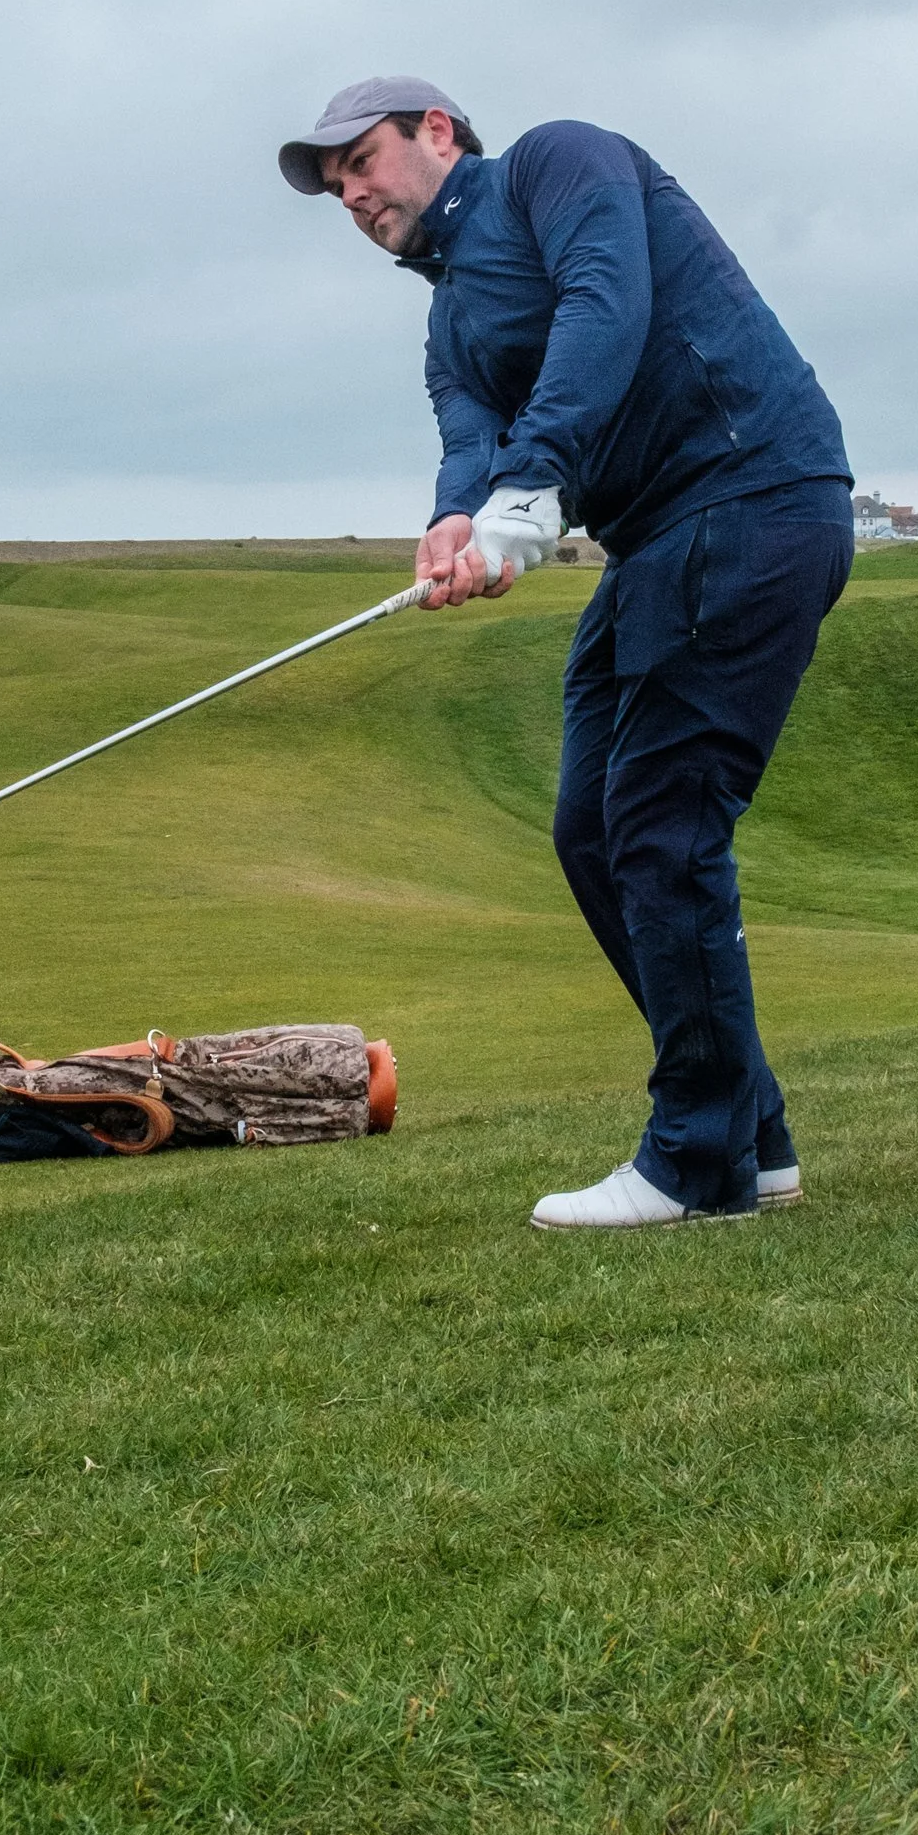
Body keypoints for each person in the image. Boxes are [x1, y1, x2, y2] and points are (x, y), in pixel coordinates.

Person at [279, 78, 854, 1228]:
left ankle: (696, 1162)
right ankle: (752, 1130)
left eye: (361, 162)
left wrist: (535, 482)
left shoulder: (559, 164)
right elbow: (468, 436)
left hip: (751, 496)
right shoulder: (447, 320)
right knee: (591, 828)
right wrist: (459, 520)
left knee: (662, 825)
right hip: (658, 545)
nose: (349, 194)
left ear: (436, 131)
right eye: (333, 183)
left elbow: (608, 302)